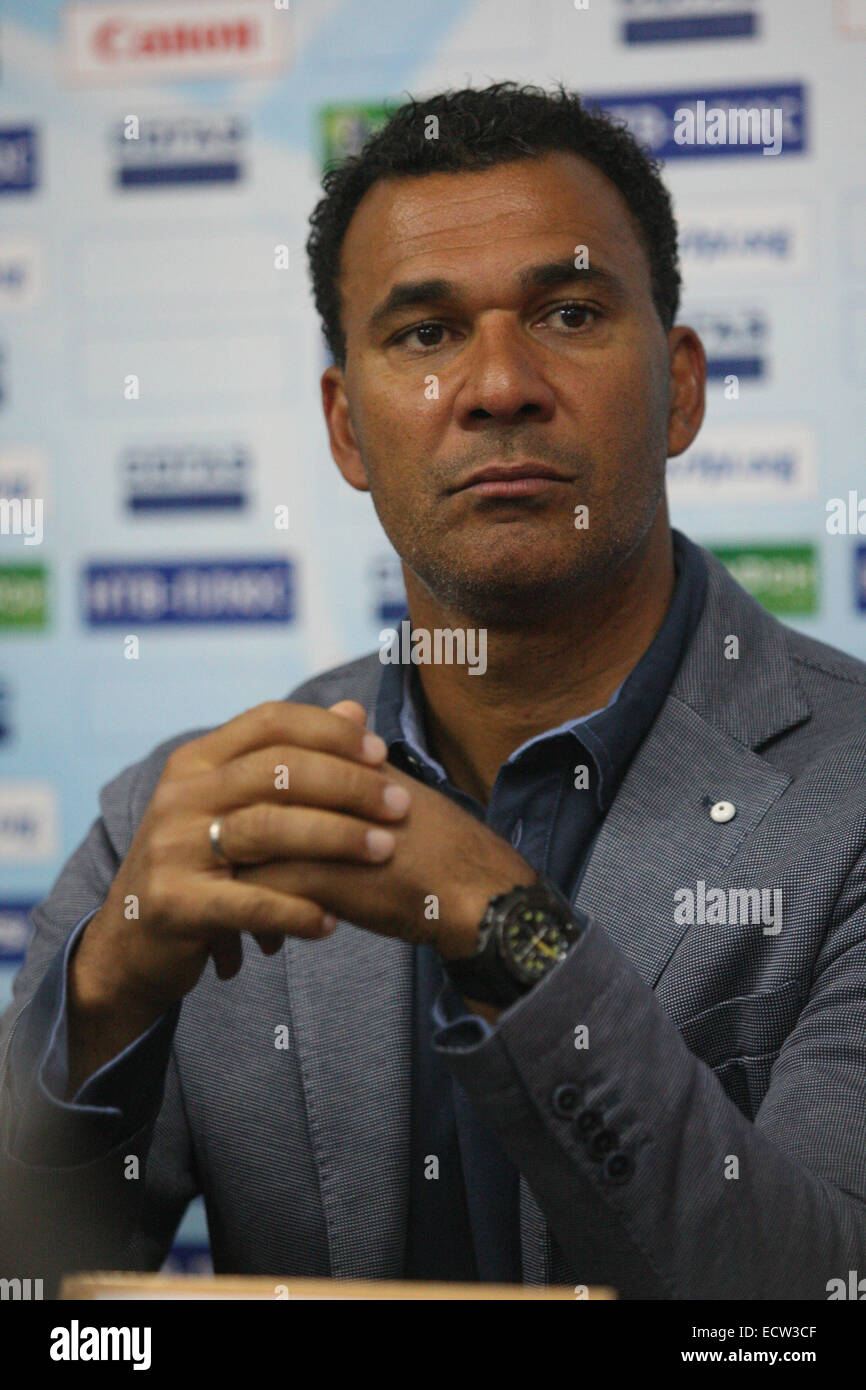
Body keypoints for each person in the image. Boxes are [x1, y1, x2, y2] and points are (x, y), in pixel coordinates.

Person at [2, 82, 865, 1300]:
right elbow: (28, 1292)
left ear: (679, 390)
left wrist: (506, 927)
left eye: (567, 312)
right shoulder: (183, 817)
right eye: (424, 333)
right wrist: (101, 1002)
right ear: (346, 427)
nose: (498, 384)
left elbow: (822, 1302)